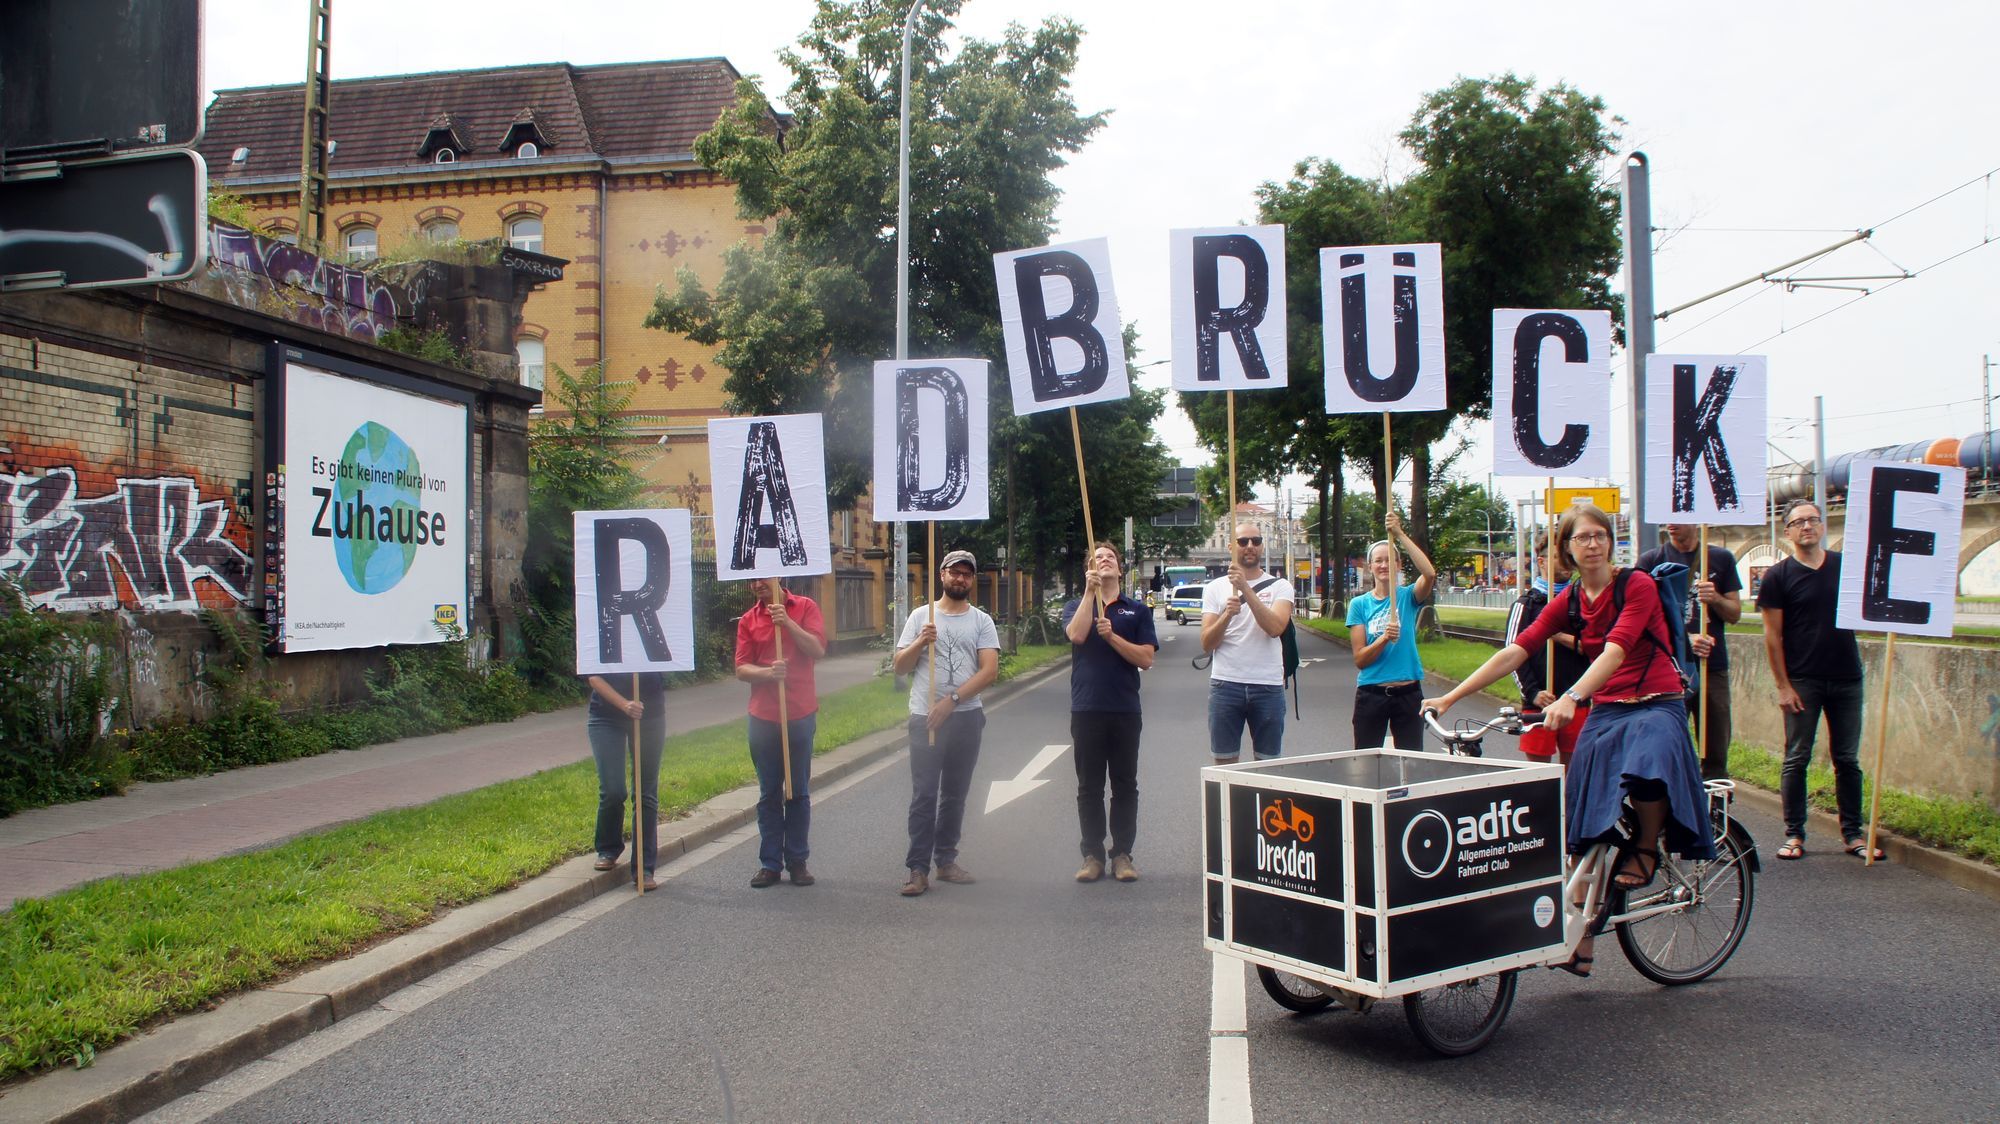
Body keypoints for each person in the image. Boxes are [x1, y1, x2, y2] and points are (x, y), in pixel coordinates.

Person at [1422, 504, 1713, 977]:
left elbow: (1617, 650)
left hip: (1657, 699)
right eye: (1583, 537)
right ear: (1567, 549)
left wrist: (1573, 696)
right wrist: (1451, 698)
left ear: (1610, 543)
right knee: (1582, 814)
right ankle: (1580, 935)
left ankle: (1644, 846)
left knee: (1649, 760)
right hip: (1610, 705)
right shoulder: (1572, 599)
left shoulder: (1634, 585)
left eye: (1601, 535)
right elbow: (1518, 649)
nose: (1594, 543)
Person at [1756, 502, 1876, 861]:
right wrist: (1783, 685)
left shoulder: (1845, 568)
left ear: (1822, 527)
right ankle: (1794, 834)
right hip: (1803, 680)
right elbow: (1772, 636)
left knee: (1848, 760)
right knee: (1797, 757)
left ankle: (1853, 833)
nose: (1806, 526)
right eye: (1798, 522)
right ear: (1788, 532)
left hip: (1846, 677)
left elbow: (1868, 607)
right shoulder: (1778, 576)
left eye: (1812, 520)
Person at [893, 549, 1001, 897]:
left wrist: (952, 702)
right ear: (941, 575)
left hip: (966, 718)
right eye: (954, 572)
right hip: (924, 718)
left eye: (967, 574)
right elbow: (899, 667)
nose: (960, 579)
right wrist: (921, 642)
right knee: (924, 794)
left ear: (972, 580)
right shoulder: (920, 617)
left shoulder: (981, 621)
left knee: (955, 794)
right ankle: (917, 869)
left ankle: (947, 861)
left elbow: (989, 671)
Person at [1063, 541, 1158, 883]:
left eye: (1109, 558)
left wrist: (1113, 637)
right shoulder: (1077, 605)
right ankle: (1092, 854)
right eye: (1097, 558)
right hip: (1086, 708)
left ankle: (1122, 854)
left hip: (1124, 709)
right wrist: (1090, 596)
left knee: (1124, 784)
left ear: (1120, 569)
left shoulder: (1137, 610)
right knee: (1089, 787)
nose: (1104, 561)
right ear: (1089, 570)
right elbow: (1075, 635)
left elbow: (1146, 659)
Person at [734, 576, 827, 888]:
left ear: (778, 577)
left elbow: (816, 649)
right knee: (769, 793)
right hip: (763, 717)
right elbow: (741, 668)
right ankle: (770, 864)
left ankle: (798, 861)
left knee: (797, 792)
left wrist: (787, 622)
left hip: (799, 713)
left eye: (762, 578)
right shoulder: (748, 620)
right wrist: (767, 673)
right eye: (752, 581)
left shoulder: (805, 607)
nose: (757, 584)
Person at [1638, 523, 1742, 780]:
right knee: (1667, 747)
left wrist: (1715, 598)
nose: (1670, 525)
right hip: (1667, 671)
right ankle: (1672, 810)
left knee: (1716, 749)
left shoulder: (1721, 559)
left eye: (1677, 518)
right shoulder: (1652, 561)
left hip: (1711, 668)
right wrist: (1686, 639)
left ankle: (1715, 812)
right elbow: (1639, 618)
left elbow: (1735, 614)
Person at [1200, 522, 1294, 763]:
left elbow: (1275, 628)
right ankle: (1229, 803)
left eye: (1256, 541)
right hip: (1225, 685)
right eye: (1243, 542)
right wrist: (1226, 616)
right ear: (1232, 547)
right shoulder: (1214, 588)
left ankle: (1264, 803)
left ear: (1263, 546)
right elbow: (1207, 643)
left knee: (1268, 765)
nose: (1250, 546)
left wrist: (1245, 589)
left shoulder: (1281, 586)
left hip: (1267, 686)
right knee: (1225, 764)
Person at [1346, 510, 1436, 749]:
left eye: (1389, 560)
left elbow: (1429, 573)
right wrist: (1384, 638)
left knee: (1411, 760)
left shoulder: (1407, 597)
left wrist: (1399, 534)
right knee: (1366, 761)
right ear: (1370, 566)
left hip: (1408, 694)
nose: (1384, 565)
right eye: (1378, 560)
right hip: (1371, 693)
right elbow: (1360, 659)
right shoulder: (1359, 605)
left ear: (1398, 564)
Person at [1505, 533, 1589, 768]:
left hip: (1576, 701)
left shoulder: (1581, 602)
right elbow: (1512, 653)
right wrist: (1533, 692)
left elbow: (1593, 647)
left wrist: (1557, 635)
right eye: (1558, 557)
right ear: (1541, 562)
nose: (1567, 563)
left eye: (1568, 556)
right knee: (1541, 775)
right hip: (1539, 703)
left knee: (1575, 773)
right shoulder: (1526, 605)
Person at [585, 672, 666, 890]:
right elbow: (593, 676)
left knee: (645, 794)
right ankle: (608, 848)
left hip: (650, 716)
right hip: (605, 717)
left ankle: (644, 868)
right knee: (612, 790)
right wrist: (625, 704)